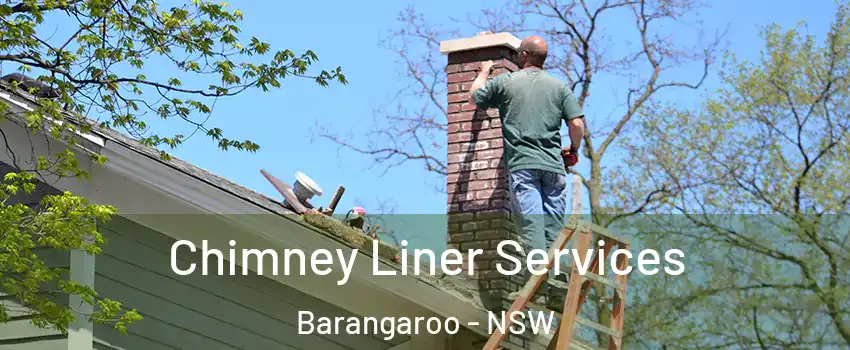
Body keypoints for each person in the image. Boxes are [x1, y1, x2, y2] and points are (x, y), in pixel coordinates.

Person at [468, 35, 585, 311]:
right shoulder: (559, 87)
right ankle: (556, 288)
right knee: (554, 228)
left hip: (524, 165)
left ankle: (539, 283)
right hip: (554, 168)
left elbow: (475, 98)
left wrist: (484, 71)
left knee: (533, 224)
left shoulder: (508, 82)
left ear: (523, 55)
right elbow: (576, 124)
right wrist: (573, 149)